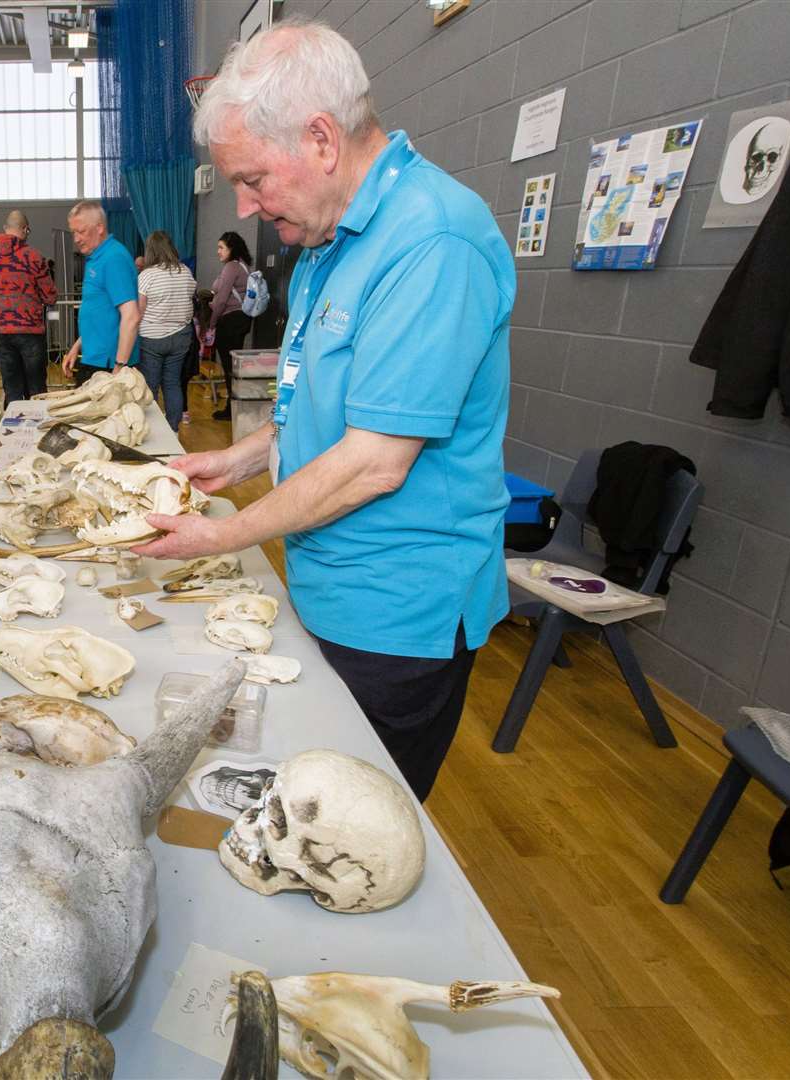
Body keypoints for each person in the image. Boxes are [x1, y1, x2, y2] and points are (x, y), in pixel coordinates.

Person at [135, 17, 514, 802]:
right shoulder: (327, 240)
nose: (242, 202)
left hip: (395, 614)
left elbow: (377, 459)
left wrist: (223, 535)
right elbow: (317, 402)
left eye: (253, 178)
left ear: (319, 139)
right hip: (326, 582)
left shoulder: (432, 241)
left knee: (346, 823)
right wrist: (234, 460)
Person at [0, 210, 57, 402]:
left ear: (5, 228)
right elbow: (50, 296)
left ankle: (13, 430)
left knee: (11, 390)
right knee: (36, 389)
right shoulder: (33, 256)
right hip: (30, 331)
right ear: (25, 229)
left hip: (1, 332)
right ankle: (38, 430)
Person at [61, 201, 139, 386]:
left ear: (100, 228)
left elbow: (131, 316)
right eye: (74, 232)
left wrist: (120, 367)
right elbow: (100, 314)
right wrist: (77, 347)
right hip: (94, 359)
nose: (76, 239)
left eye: (81, 231)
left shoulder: (113, 258)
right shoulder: (97, 257)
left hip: (108, 366)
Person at [135, 230, 197, 430]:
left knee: (150, 386)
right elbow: (190, 299)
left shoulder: (147, 275)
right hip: (181, 336)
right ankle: (173, 430)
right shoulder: (185, 271)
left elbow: (140, 310)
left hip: (152, 338)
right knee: (172, 383)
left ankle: (152, 431)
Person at [208, 230, 255, 421]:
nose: (218, 251)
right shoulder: (243, 266)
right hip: (241, 319)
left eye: (221, 248)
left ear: (231, 249)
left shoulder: (231, 267)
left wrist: (211, 324)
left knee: (229, 367)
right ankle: (237, 405)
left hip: (229, 321)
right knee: (234, 366)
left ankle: (231, 408)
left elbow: (220, 300)